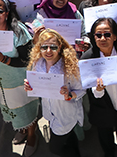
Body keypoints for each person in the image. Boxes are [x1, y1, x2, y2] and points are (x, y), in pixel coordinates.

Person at [0, 0, 40, 152]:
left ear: (7, 13)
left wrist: (5, 60)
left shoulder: (18, 31)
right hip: (0, 83)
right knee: (12, 109)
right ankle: (22, 129)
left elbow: (27, 60)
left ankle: (32, 134)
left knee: (27, 109)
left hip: (20, 82)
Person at [24, 28, 85, 157]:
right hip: (49, 111)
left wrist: (69, 94)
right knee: (69, 139)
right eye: (44, 47)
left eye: (53, 47)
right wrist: (29, 86)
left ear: (60, 47)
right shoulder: (37, 63)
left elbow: (82, 90)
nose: (48, 51)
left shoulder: (70, 67)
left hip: (65, 115)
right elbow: (36, 86)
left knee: (55, 149)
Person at [80, 17, 117, 157]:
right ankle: (109, 152)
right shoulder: (87, 58)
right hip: (102, 105)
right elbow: (87, 89)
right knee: (105, 134)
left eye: (107, 34)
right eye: (98, 35)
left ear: (115, 36)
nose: (102, 38)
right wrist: (97, 90)